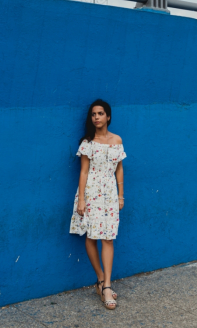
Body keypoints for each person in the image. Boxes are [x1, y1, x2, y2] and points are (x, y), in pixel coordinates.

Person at [70, 99, 126, 310]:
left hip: (110, 194)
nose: (96, 117)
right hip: (91, 192)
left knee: (108, 237)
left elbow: (119, 168)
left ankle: (107, 284)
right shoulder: (88, 143)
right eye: (93, 114)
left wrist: (121, 196)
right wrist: (82, 199)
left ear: (108, 116)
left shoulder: (117, 140)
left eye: (100, 113)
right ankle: (102, 281)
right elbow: (84, 171)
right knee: (92, 235)